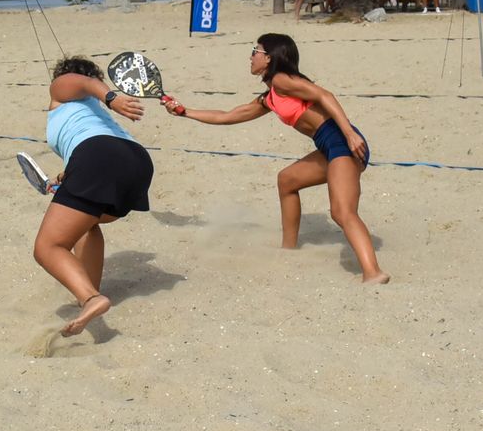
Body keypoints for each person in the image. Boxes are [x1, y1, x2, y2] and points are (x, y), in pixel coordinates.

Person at [162, 33, 389, 284]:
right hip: (328, 147)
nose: (251, 56)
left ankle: (373, 273)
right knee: (287, 181)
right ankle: (288, 250)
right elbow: (227, 116)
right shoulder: (270, 96)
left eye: (255, 51)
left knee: (342, 212)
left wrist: (349, 134)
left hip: (343, 142)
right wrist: (185, 112)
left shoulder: (282, 80)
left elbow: (325, 95)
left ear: (268, 58)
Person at [32, 56, 155, 337]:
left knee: (48, 247)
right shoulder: (91, 111)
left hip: (99, 157)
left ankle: (91, 298)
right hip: (136, 162)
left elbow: (83, 82)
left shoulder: (62, 88)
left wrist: (112, 97)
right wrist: (66, 176)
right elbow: (90, 144)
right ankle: (88, 293)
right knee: (86, 222)